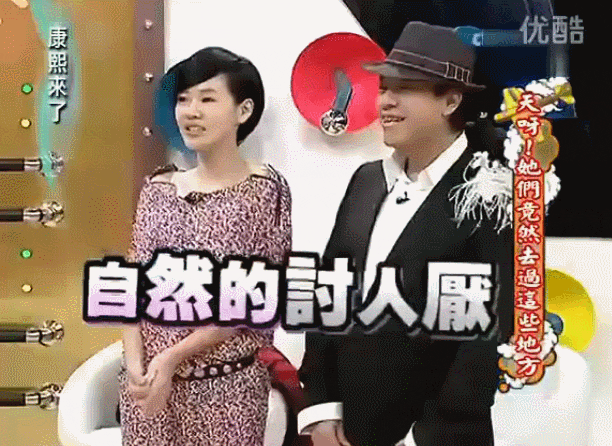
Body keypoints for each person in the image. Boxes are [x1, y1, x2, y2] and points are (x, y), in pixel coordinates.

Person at [298, 22, 513, 446]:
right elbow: (329, 292)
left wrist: (423, 437)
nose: (386, 102)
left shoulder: (490, 192)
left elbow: (490, 332)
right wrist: (321, 409)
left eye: (406, 89)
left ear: (451, 100)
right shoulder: (367, 181)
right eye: (383, 88)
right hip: (348, 429)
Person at [118, 47, 292, 446]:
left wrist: (171, 357)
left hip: (226, 393)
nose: (191, 112)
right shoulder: (157, 188)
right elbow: (130, 286)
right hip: (148, 393)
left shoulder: (264, 191)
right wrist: (135, 369)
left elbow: (255, 298)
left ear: (243, 111)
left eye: (207, 99)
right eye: (183, 99)